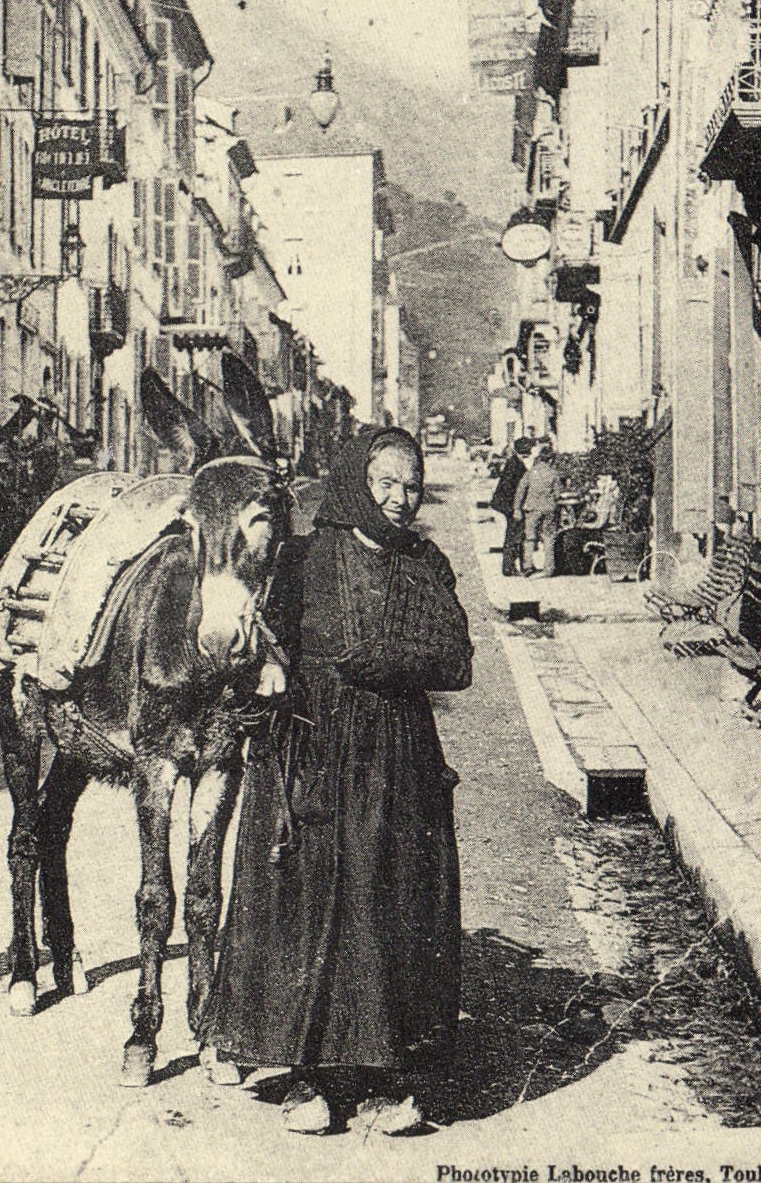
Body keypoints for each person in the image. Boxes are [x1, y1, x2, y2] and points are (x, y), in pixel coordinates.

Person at [201, 425, 473, 1136]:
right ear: (357, 479)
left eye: (411, 483)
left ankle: (384, 1076)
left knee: (389, 901)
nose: (399, 496)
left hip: (399, 757)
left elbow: (454, 660)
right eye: (384, 480)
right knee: (307, 903)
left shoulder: (425, 562)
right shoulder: (304, 558)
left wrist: (379, 661)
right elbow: (264, 645)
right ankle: (306, 1077)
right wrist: (270, 673)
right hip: (313, 748)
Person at [514, 442, 560, 577]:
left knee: (530, 538)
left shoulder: (531, 473)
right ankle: (548, 568)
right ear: (551, 459)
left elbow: (520, 490)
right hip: (549, 508)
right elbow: (558, 494)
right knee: (549, 537)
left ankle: (527, 566)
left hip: (532, 508)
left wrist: (517, 508)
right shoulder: (553, 474)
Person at [490, 437, 533, 575]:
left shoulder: (514, 462)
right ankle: (509, 567)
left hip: (508, 504)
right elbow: (509, 489)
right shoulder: (515, 465)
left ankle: (514, 565)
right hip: (509, 505)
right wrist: (516, 508)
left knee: (514, 534)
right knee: (514, 535)